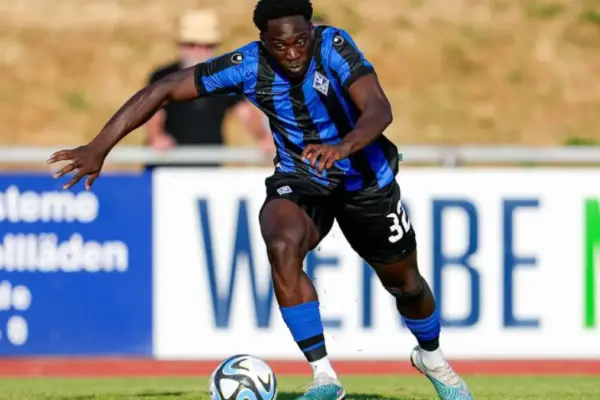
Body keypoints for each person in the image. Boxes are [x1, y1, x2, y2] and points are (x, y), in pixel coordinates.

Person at [46, 0, 473, 399]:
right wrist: (99, 146)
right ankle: (324, 377)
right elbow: (165, 88)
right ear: (263, 41)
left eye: (300, 41)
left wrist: (343, 147)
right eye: (280, 45)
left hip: (366, 182)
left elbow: (379, 108)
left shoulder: (334, 46)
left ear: (311, 30)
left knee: (405, 283)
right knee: (281, 243)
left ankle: (431, 357)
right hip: (301, 178)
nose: (293, 53)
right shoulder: (248, 65)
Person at [145, 9, 273, 166]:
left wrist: (262, 137)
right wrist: (156, 137)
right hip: (168, 165)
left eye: (207, 45)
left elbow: (245, 113)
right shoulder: (164, 77)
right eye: (192, 45)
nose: (200, 51)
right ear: (181, 45)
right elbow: (153, 113)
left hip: (209, 166)